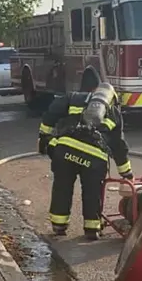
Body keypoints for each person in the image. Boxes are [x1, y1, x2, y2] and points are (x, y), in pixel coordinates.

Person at [38, 82, 133, 240]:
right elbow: (119, 146)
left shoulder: (74, 97)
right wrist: (127, 174)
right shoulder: (114, 113)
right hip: (94, 159)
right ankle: (91, 229)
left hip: (65, 151)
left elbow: (52, 112)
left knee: (62, 187)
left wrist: (44, 136)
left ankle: (58, 226)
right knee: (92, 193)